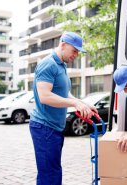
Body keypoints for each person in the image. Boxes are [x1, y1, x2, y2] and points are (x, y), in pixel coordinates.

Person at [29, 31, 97, 185]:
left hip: (53, 128)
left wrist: (82, 103)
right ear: (63, 44)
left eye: (78, 52)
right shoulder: (48, 64)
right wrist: (74, 104)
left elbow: (64, 93)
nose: (76, 55)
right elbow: (44, 96)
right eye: (74, 51)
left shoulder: (61, 65)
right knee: (50, 174)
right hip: (44, 127)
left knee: (51, 171)